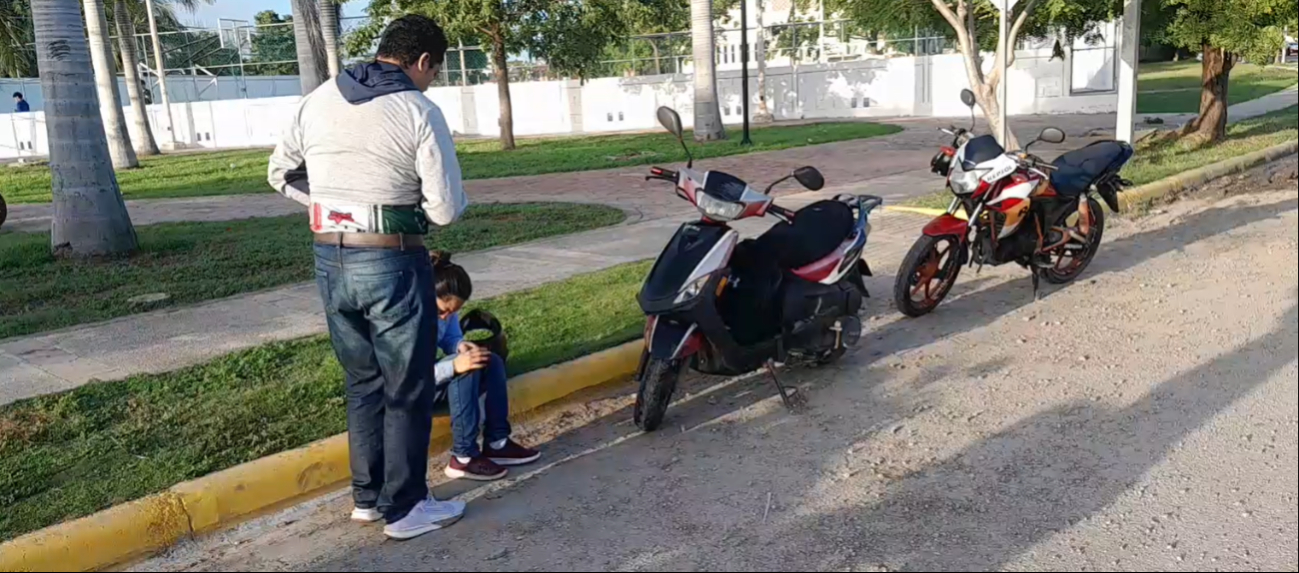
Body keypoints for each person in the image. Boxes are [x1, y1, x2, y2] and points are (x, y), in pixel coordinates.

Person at [267, 14, 468, 541]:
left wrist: (339, 207)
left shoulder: (318, 98)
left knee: (362, 382)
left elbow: (281, 172)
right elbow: (446, 209)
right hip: (392, 260)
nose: (432, 80)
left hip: (330, 260)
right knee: (407, 384)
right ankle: (405, 508)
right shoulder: (418, 109)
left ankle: (367, 499)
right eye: (435, 70)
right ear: (423, 61)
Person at [428, 252, 541, 482]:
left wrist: (461, 345)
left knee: (489, 359)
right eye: (442, 311)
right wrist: (454, 367)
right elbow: (408, 376)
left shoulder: (445, 312)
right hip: (410, 388)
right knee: (467, 368)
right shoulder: (410, 320)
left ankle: (497, 442)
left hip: (430, 376)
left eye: (453, 312)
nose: (445, 317)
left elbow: (450, 338)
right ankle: (463, 457)